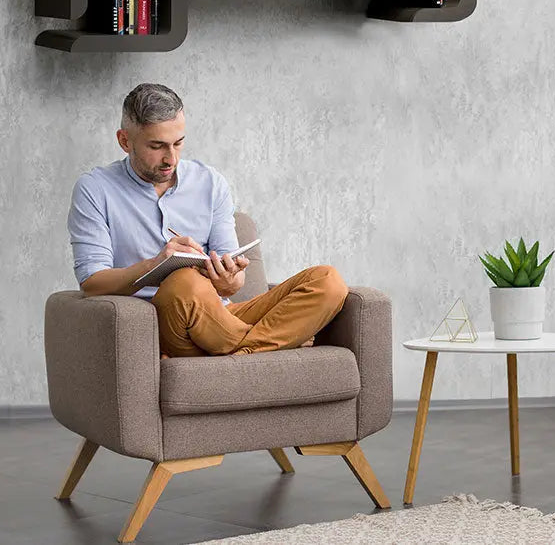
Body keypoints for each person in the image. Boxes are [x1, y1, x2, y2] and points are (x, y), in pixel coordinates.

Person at [67, 83, 349, 358]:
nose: (171, 158)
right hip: (164, 322)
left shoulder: (210, 182)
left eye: (178, 143)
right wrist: (157, 265)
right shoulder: (95, 188)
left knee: (327, 281)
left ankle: (243, 350)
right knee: (184, 281)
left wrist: (229, 280)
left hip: (221, 317)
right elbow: (92, 283)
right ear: (125, 141)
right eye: (157, 146)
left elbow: (233, 282)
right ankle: (279, 341)